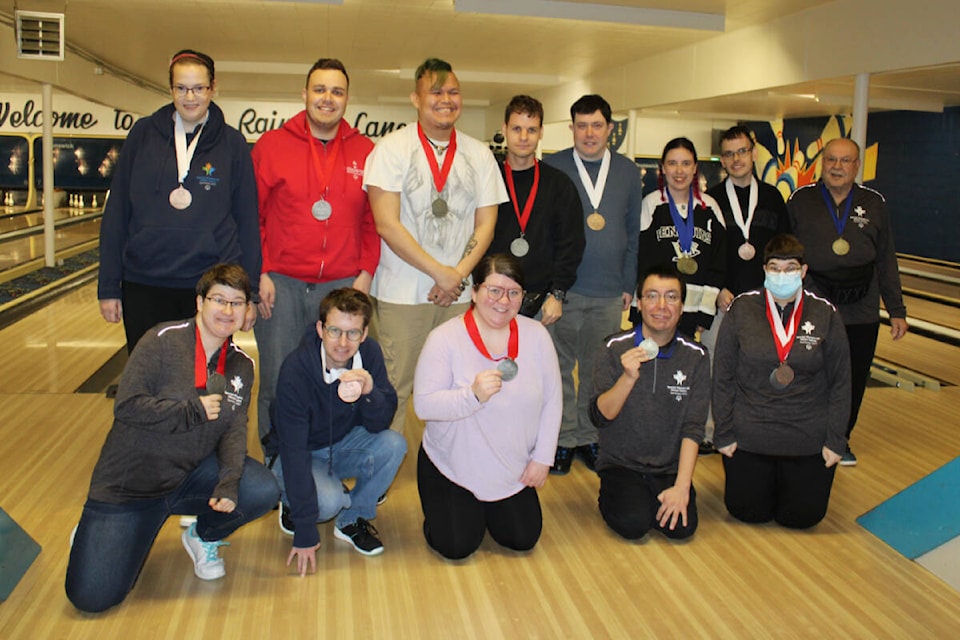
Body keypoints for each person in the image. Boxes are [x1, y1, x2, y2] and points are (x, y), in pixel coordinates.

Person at [65, 264, 279, 613]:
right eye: (218, 300)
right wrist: (190, 410)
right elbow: (127, 406)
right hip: (130, 486)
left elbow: (233, 429)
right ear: (199, 302)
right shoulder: (162, 340)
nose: (227, 311)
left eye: (237, 303)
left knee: (262, 489)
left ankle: (202, 535)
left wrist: (227, 483)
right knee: (92, 598)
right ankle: (95, 529)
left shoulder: (242, 365)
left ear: (246, 312)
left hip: (190, 476)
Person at [363, 57, 508, 434]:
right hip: (403, 293)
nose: (446, 99)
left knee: (460, 385)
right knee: (396, 386)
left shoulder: (479, 155)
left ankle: (453, 466)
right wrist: (440, 273)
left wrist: (456, 276)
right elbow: (386, 223)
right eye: (436, 91)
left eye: (453, 91)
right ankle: (382, 471)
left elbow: (487, 224)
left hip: (460, 295)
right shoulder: (390, 149)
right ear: (415, 98)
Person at [252, 58, 380, 453]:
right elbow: (251, 216)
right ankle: (276, 454)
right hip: (283, 283)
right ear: (304, 94)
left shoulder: (366, 151)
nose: (328, 98)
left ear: (347, 98)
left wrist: (365, 273)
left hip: (342, 283)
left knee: (340, 374)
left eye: (337, 91)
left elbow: (373, 221)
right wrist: (261, 271)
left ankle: (329, 451)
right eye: (320, 90)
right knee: (277, 376)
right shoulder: (271, 146)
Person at [98, 49, 260, 353]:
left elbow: (248, 222)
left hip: (212, 286)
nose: (190, 97)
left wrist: (249, 295)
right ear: (171, 89)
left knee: (204, 382)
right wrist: (108, 286)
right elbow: (117, 212)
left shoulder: (232, 144)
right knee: (149, 383)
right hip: (144, 283)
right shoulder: (142, 135)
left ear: (213, 88)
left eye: (199, 88)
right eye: (181, 88)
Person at [413, 254, 561, 559]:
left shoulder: (537, 336)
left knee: (522, 538)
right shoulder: (444, 339)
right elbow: (424, 406)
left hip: (511, 467)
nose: (503, 301)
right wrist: (472, 396)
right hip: (452, 466)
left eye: (514, 292)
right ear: (475, 292)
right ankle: (449, 506)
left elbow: (552, 401)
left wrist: (543, 458)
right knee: (456, 546)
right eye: (494, 290)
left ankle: (482, 508)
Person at [713, 234, 850, 528]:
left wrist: (836, 440)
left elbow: (841, 383)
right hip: (751, 434)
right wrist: (724, 433)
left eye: (790, 268)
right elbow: (722, 376)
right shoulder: (742, 309)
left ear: (803, 271)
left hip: (806, 436)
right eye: (774, 267)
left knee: (802, 517)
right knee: (748, 512)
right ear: (764, 270)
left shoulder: (825, 313)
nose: (781, 275)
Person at [787, 138, 908, 466]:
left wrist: (896, 309)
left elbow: (885, 259)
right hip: (812, 304)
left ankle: (840, 438)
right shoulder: (801, 200)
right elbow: (785, 254)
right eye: (831, 160)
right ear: (822, 163)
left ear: (857, 166)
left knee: (852, 377)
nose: (837, 166)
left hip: (861, 308)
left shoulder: (874, 203)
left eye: (845, 161)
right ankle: (808, 434)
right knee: (809, 371)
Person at [542, 94, 642, 475]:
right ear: (571, 129)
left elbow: (632, 235)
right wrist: (553, 288)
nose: (589, 133)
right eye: (581, 125)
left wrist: (628, 284)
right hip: (564, 290)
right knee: (561, 368)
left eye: (596, 125)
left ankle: (589, 436)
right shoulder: (553, 166)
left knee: (599, 369)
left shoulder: (629, 172)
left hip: (609, 290)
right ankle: (565, 439)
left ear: (610, 130)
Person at [271, 288, 404, 574]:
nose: (343, 343)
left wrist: (370, 393)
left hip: (343, 443)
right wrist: (305, 530)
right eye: (334, 331)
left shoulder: (369, 354)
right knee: (328, 502)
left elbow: (379, 423)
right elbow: (293, 450)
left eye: (353, 333)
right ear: (320, 329)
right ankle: (291, 501)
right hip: (300, 452)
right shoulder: (296, 369)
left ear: (365, 332)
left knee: (394, 444)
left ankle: (351, 519)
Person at [589, 265, 709, 541]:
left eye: (671, 297)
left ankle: (664, 493)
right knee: (634, 524)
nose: (661, 306)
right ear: (639, 303)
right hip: (621, 465)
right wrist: (628, 378)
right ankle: (619, 493)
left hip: (669, 468)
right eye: (652, 296)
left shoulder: (697, 356)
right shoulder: (613, 347)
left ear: (682, 305)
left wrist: (682, 486)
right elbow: (599, 416)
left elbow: (693, 428)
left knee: (680, 529)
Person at [703, 125, 789, 446]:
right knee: (716, 366)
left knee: (761, 366)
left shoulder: (772, 197)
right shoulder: (711, 199)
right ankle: (714, 431)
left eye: (742, 151)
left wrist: (779, 292)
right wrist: (719, 288)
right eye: (729, 154)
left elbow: (784, 248)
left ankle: (759, 425)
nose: (736, 159)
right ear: (722, 160)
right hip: (723, 301)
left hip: (765, 303)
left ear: (753, 154)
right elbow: (707, 251)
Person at [486, 95, 584, 322]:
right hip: (490, 298)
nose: (523, 137)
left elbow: (571, 243)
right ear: (504, 129)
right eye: (516, 128)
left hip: (541, 303)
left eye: (531, 130)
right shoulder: (488, 179)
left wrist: (558, 294)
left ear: (541, 132)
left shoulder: (559, 184)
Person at [637, 137, 726, 340]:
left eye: (686, 163)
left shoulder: (709, 207)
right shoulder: (650, 205)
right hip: (657, 312)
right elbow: (641, 261)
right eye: (672, 163)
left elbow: (718, 264)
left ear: (695, 168)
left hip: (694, 311)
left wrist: (705, 313)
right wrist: (643, 307)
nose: (679, 171)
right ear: (663, 168)